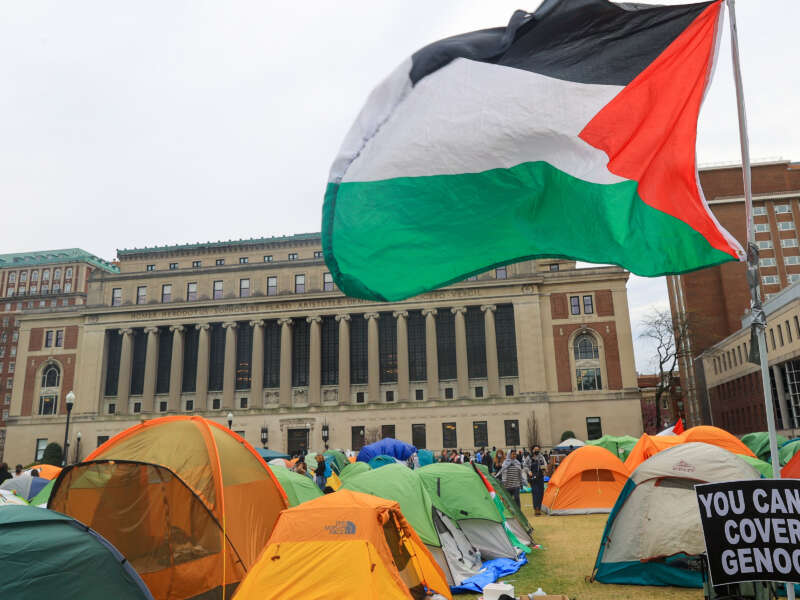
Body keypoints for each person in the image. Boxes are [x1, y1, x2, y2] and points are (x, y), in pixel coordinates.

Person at [529, 445, 548, 516]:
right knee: (535, 493)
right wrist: (529, 472)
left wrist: (545, 469)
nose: (537, 451)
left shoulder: (541, 457)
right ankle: (536, 509)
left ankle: (539, 508)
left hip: (540, 477)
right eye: (535, 449)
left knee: (541, 493)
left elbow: (545, 464)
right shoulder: (529, 458)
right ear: (532, 450)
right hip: (533, 478)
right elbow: (525, 466)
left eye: (538, 449)